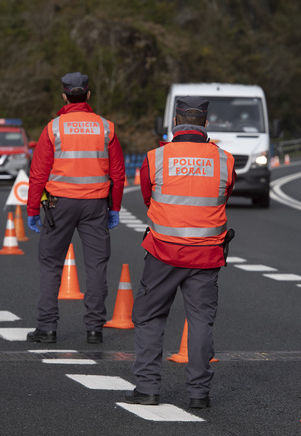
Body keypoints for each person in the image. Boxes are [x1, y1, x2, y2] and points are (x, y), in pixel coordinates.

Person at [125, 96, 236, 409]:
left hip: (163, 252)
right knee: (201, 322)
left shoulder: (156, 158)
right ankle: (199, 394)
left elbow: (148, 197)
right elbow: (224, 195)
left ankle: (147, 389)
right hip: (206, 254)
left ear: (175, 122)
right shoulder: (225, 160)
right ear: (205, 123)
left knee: (149, 316)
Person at [25, 72, 125, 345]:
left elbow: (38, 174)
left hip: (59, 206)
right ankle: (94, 329)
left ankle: (46, 328)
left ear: (65, 95)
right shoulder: (106, 128)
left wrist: (33, 209)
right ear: (88, 95)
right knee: (96, 266)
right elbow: (117, 172)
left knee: (50, 265)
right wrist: (114, 207)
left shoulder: (53, 128)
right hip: (95, 206)